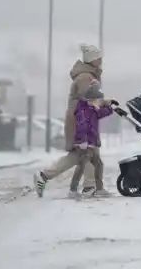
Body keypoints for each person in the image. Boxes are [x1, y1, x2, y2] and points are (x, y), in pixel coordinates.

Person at [33, 44, 115, 198]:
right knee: (83, 154)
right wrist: (106, 102)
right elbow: (91, 98)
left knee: (85, 155)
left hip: (83, 119)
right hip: (80, 121)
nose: (101, 60)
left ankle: (89, 186)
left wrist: (106, 104)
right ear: (92, 59)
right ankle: (49, 177)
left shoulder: (89, 75)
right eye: (99, 58)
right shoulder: (85, 77)